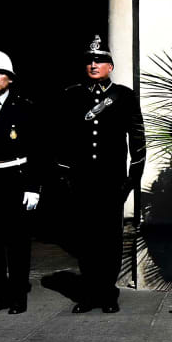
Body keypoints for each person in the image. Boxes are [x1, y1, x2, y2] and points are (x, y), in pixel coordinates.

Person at [56, 35, 145, 313]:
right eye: (90, 61)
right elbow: (62, 138)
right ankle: (88, 293)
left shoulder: (124, 96)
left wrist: (132, 178)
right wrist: (65, 176)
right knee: (85, 239)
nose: (94, 65)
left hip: (112, 181)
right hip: (82, 181)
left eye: (100, 60)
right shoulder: (73, 95)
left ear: (110, 66)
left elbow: (138, 139)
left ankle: (107, 293)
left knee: (109, 240)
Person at [0, 51, 40, 315]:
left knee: (16, 243)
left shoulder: (24, 108)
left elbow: (37, 150)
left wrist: (33, 187)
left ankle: (17, 297)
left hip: (15, 180)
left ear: (10, 79)